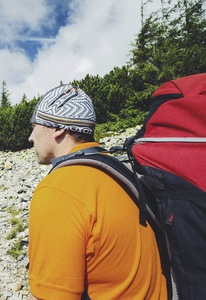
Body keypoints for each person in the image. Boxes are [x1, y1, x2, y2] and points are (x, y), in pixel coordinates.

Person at [27, 84, 167, 300]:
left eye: (35, 126)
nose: (31, 137)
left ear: (57, 128)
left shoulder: (58, 190)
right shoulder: (121, 170)